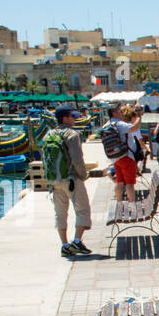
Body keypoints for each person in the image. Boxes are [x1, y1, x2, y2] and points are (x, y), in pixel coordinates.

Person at [50, 106, 92, 258]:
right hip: (72, 179)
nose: (75, 119)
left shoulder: (49, 135)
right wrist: (83, 175)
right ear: (65, 118)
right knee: (82, 209)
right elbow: (77, 159)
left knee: (60, 214)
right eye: (72, 116)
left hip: (54, 181)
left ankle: (64, 245)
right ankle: (77, 241)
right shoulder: (72, 135)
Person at [107, 104, 138, 203]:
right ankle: (133, 206)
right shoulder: (119, 124)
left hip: (115, 157)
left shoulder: (107, 124)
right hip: (126, 156)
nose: (122, 113)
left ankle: (119, 204)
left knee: (119, 181)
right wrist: (139, 118)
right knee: (129, 183)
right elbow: (134, 128)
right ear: (114, 113)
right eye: (120, 111)